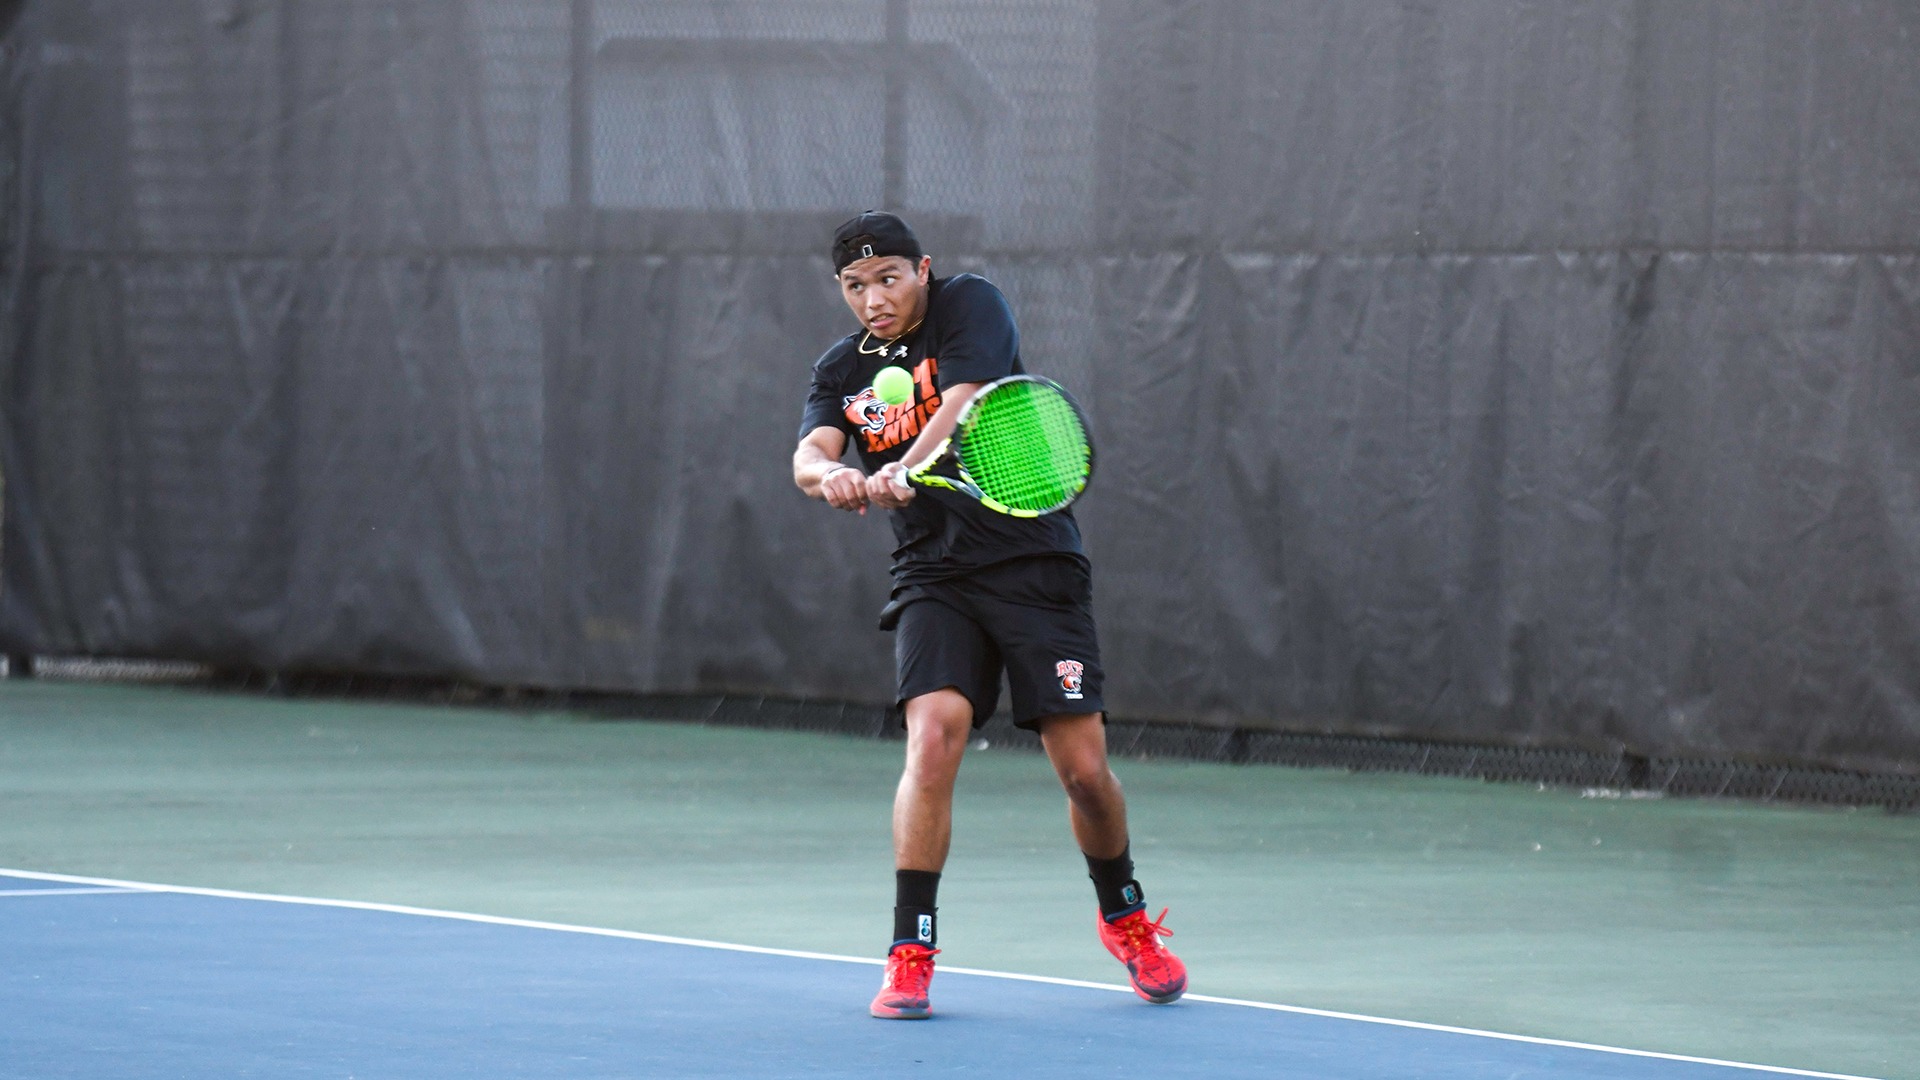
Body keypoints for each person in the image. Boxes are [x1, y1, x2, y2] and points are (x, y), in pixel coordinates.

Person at [792, 211, 1186, 1019]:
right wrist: (827, 475)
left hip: (1034, 564)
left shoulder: (972, 305)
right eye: (855, 286)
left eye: (889, 278)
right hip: (934, 574)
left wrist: (904, 464)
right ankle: (911, 949)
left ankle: (1125, 916)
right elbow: (810, 451)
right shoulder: (840, 369)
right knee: (931, 739)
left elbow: (965, 401)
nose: (874, 299)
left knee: (1083, 772)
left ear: (923, 271)